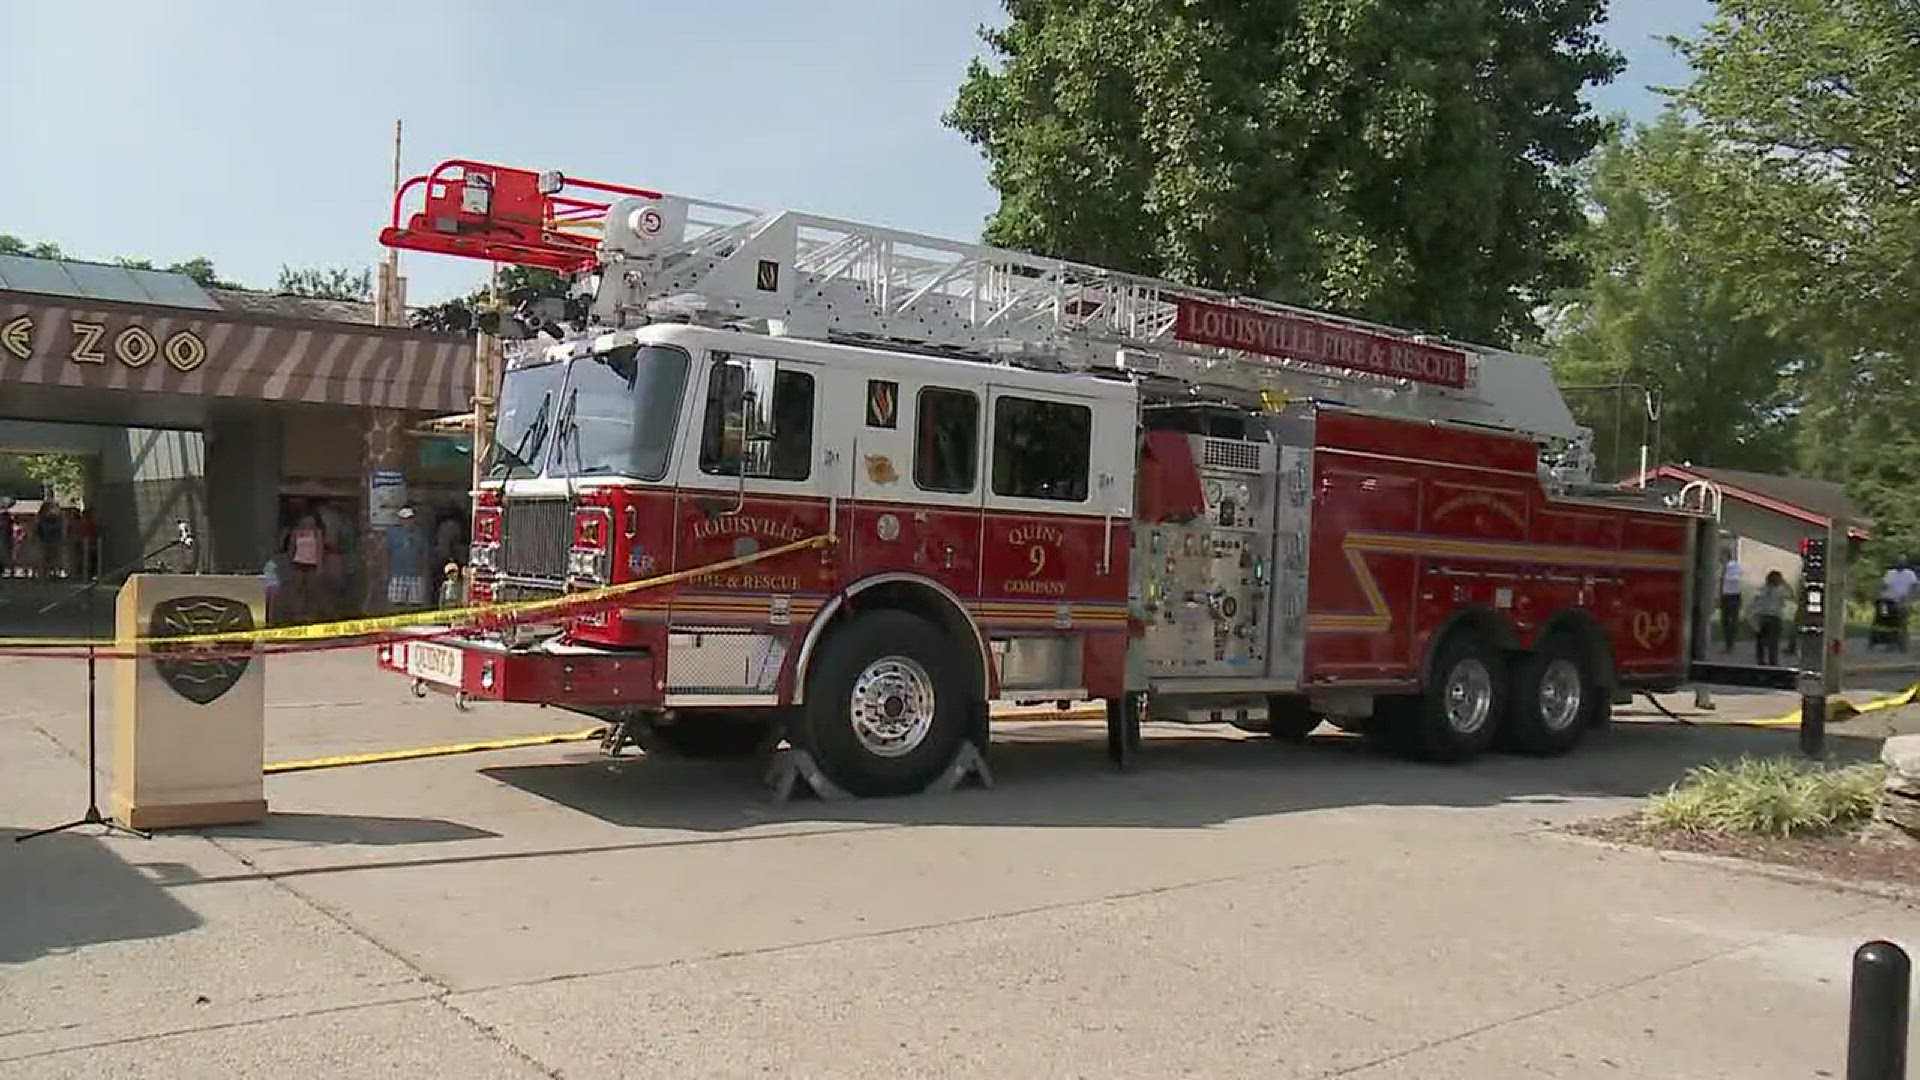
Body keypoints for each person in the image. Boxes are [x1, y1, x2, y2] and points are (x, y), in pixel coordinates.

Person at [1752, 569, 1792, 667]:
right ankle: (1772, 663)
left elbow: (1755, 603)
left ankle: (1761, 661)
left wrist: (1754, 617)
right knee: (1773, 642)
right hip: (1774, 618)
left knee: (1760, 641)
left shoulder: (1762, 589)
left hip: (1762, 617)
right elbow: (1791, 595)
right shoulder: (1781, 590)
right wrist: (1785, 583)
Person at [1718, 548, 1744, 654]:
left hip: (1733, 595)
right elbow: (1721, 583)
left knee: (1732, 621)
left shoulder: (1734, 566)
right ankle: (1728, 643)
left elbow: (1736, 579)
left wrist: (1725, 575)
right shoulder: (1722, 567)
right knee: (1724, 621)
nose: (1720, 558)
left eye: (1722, 556)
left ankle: (1730, 644)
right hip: (1725, 596)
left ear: (1726, 556)